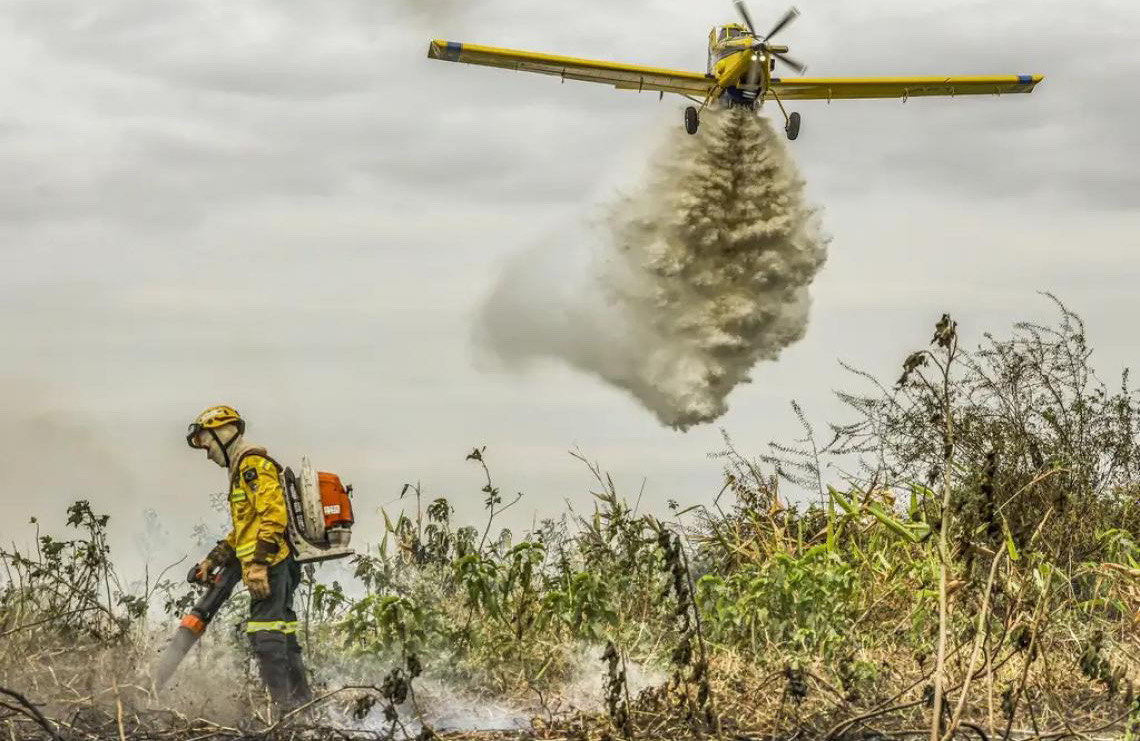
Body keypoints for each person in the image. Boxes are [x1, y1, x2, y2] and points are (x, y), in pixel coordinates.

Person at [186, 405, 311, 708]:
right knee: (283, 635)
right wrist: (212, 561)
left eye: (207, 444)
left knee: (264, 634)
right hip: (274, 563)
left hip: (272, 564)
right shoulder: (242, 469)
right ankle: (302, 709)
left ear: (224, 433)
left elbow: (273, 515)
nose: (208, 454)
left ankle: (283, 717)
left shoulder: (252, 466)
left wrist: (257, 564)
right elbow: (244, 531)